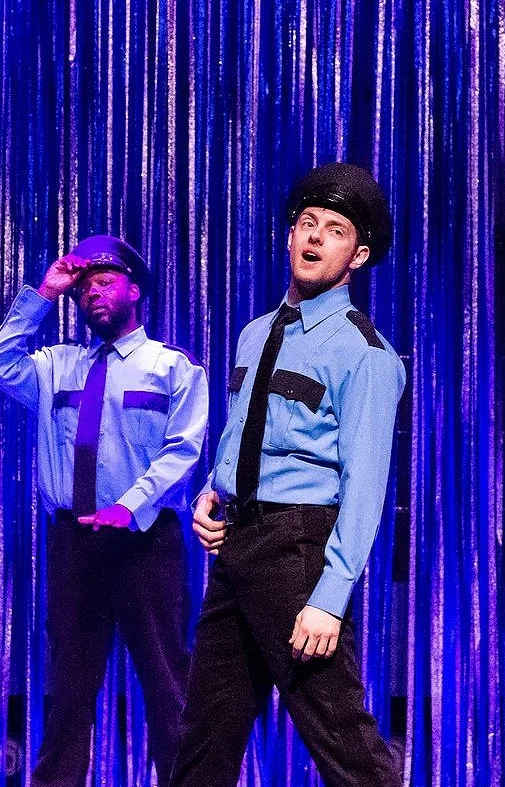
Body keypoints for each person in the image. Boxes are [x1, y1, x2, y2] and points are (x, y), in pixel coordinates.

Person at [170, 163, 406, 787]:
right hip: (238, 544)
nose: (315, 236)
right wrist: (214, 489)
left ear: (357, 256)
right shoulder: (255, 334)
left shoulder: (365, 354)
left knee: (341, 738)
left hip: (298, 548)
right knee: (205, 735)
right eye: (307, 222)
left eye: (334, 230)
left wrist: (329, 598)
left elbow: (365, 487)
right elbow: (247, 433)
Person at [0, 233, 209, 786]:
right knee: (69, 692)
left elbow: (183, 452)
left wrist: (128, 508)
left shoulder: (172, 368)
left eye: (105, 282)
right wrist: (44, 293)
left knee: (167, 686)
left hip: (144, 542)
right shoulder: (55, 366)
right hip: (74, 543)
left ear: (135, 290)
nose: (93, 294)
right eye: (83, 289)